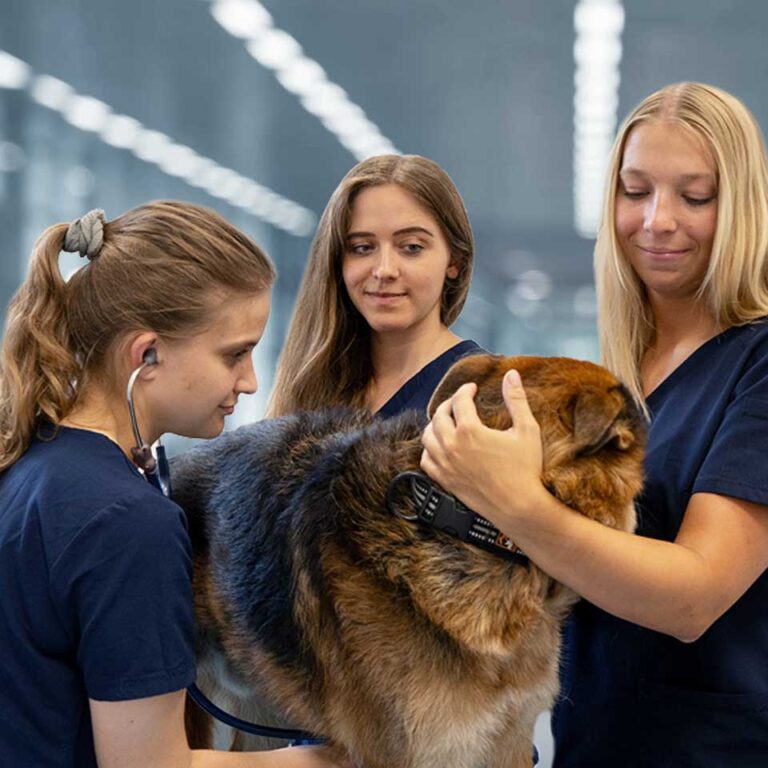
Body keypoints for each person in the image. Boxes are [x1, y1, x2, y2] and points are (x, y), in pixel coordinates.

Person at [420, 82, 768, 767]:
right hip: (594, 745)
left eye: (696, 197)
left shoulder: (756, 364)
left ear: (742, 208)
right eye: (635, 191)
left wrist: (512, 501)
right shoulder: (626, 373)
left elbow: (694, 597)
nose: (658, 220)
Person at [0, 202, 349, 768]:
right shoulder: (129, 524)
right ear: (147, 354)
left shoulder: (28, 463)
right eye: (235, 354)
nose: (249, 381)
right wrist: (330, 760)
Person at [267, 154, 482, 420]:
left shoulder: (487, 393)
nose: (384, 270)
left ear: (455, 261)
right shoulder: (313, 385)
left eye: (411, 247)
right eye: (362, 248)